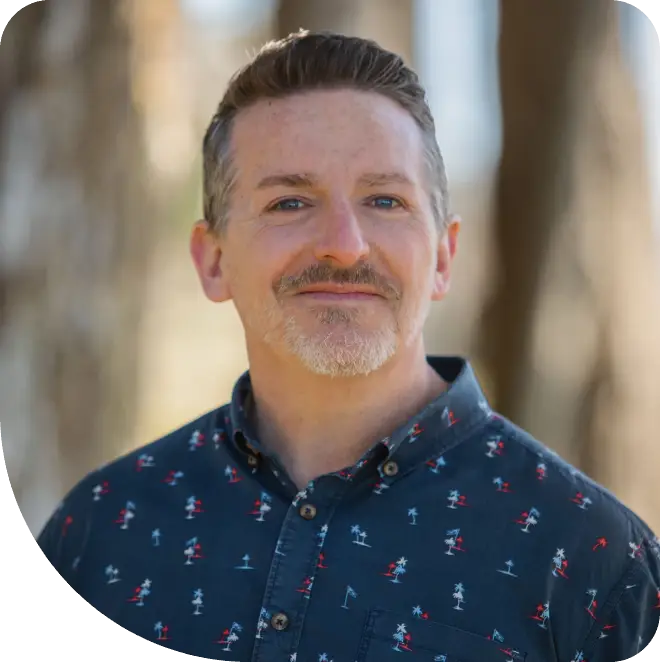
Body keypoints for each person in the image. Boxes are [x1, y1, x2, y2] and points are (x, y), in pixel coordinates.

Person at [34, 30, 660, 662]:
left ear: (443, 257)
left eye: (385, 200)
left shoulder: (595, 565)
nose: (344, 243)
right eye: (290, 202)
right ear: (214, 260)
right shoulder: (99, 532)